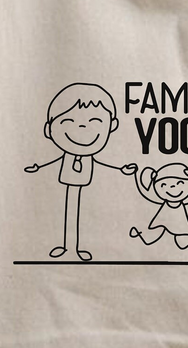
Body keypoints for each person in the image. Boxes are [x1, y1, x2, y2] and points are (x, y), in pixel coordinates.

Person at [24, 83, 136, 260]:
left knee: (76, 210)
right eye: (68, 122)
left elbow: (100, 162)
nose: (82, 128)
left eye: (95, 122)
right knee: (70, 209)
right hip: (69, 176)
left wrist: (121, 169)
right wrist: (38, 168)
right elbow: (56, 160)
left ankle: (74, 247)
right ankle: (67, 246)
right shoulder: (67, 157)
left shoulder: (87, 158)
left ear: (112, 125)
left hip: (82, 177)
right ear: (49, 129)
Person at [129, 161, 188, 251]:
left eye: (180, 183)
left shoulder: (182, 202)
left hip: (180, 221)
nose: (173, 188)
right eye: (163, 185)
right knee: (152, 237)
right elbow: (145, 194)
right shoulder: (162, 200)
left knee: (181, 243)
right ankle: (138, 232)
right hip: (163, 218)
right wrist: (134, 174)